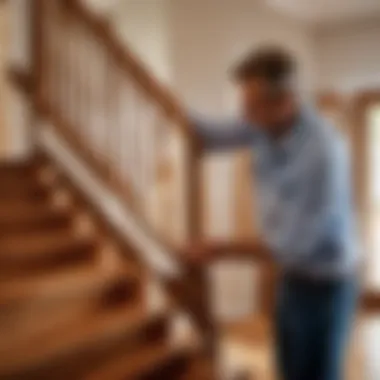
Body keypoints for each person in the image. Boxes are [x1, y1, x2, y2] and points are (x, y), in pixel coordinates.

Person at [185, 46, 359, 380]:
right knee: (289, 369)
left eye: (251, 105)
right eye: (243, 101)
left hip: (329, 284)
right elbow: (210, 135)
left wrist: (219, 249)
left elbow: (293, 245)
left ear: (285, 102)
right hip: (292, 277)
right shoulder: (262, 125)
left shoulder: (322, 154)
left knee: (319, 374)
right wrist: (167, 100)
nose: (243, 113)